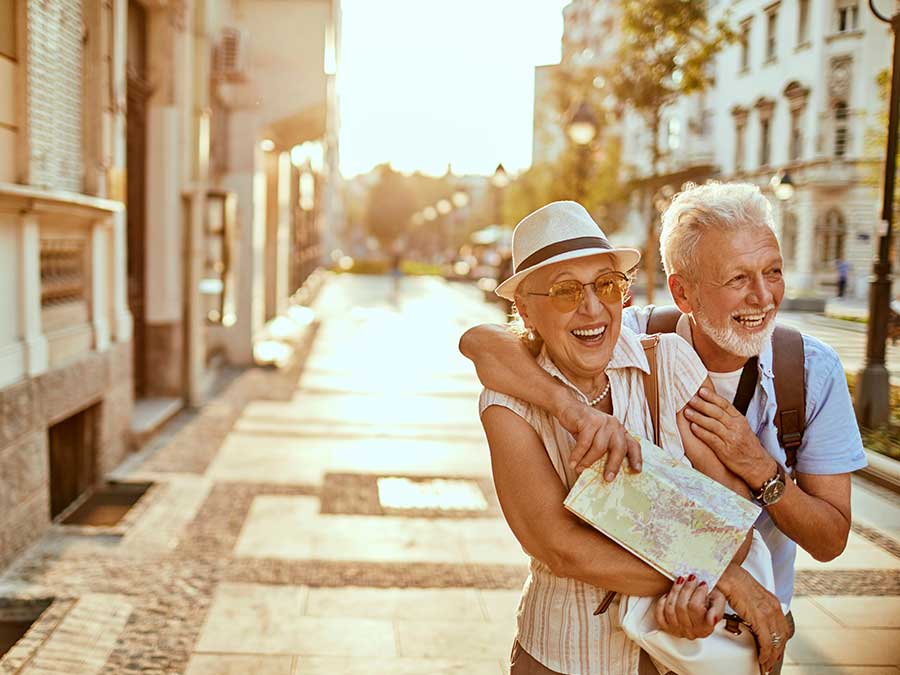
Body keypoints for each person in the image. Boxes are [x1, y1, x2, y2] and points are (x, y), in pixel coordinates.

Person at [461, 183, 868, 674]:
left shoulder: (670, 358)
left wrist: (755, 480)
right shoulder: (519, 395)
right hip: (563, 655)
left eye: (607, 284)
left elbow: (737, 527)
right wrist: (719, 575)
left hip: (706, 645)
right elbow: (556, 544)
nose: (592, 306)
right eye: (566, 290)